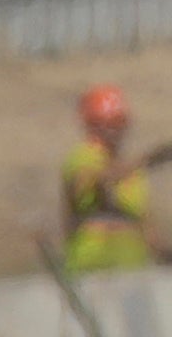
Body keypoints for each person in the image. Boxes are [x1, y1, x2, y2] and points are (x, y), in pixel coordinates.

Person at [59, 81, 164, 271]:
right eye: (106, 124)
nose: (114, 131)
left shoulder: (133, 173)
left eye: (118, 123)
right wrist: (144, 161)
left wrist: (162, 251)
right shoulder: (83, 157)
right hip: (92, 263)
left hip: (132, 263)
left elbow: (142, 218)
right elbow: (94, 183)